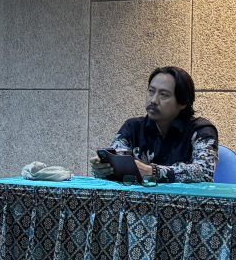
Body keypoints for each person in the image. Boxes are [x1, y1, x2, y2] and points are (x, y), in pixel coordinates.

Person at [90, 66, 218, 183]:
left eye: (163, 95)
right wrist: (103, 169)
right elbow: (117, 161)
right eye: (151, 91)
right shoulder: (133, 127)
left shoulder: (202, 130)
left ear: (183, 102)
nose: (153, 100)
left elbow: (204, 173)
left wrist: (153, 172)